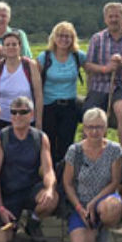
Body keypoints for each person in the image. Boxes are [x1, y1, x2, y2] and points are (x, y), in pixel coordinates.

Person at [0, 96, 57, 242]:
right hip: (8, 194)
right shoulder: (1, 139)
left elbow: (48, 170)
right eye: (13, 112)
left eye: (22, 112)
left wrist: (50, 189)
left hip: (30, 190)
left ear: (31, 114)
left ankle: (33, 222)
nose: (17, 116)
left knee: (51, 199)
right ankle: (13, 223)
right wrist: (0, 208)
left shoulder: (40, 138)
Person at [83, 2, 122, 161]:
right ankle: (89, 155)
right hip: (100, 86)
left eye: (117, 16)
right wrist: (105, 69)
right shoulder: (97, 38)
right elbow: (88, 65)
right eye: (111, 16)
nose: (114, 19)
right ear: (105, 19)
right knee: (90, 115)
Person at [63, 108, 122, 242]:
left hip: (104, 200)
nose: (95, 131)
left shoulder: (115, 150)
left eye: (99, 127)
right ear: (84, 129)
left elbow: (115, 182)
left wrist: (94, 202)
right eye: (90, 127)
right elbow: (67, 183)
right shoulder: (74, 151)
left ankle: (103, 226)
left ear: (106, 128)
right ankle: (89, 228)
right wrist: (80, 207)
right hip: (80, 203)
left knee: (112, 208)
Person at [37, 22, 87, 165]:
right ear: (54, 37)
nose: (63, 39)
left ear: (72, 39)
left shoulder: (78, 56)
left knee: (67, 145)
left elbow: (92, 67)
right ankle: (49, 178)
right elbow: (34, 78)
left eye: (67, 36)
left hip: (69, 106)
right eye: (60, 35)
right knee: (49, 144)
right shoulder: (44, 57)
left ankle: (64, 178)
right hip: (48, 106)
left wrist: (109, 66)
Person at [0, 32, 44, 132]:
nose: (11, 47)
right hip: (4, 118)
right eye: (7, 45)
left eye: (14, 44)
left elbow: (38, 95)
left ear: (20, 47)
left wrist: (39, 122)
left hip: (27, 118)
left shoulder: (29, 65)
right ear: (3, 48)